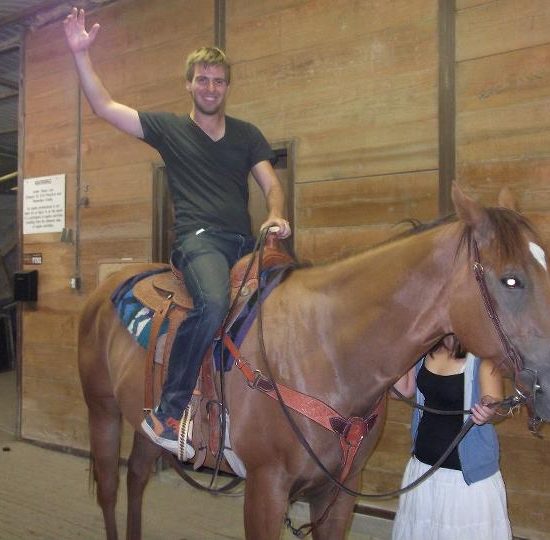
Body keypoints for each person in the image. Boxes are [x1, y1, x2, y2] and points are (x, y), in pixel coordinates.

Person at [63, 8, 291, 457]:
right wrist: (80, 56)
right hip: (198, 240)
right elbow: (104, 107)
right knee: (212, 305)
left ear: (227, 86)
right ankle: (168, 410)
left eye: (218, 81)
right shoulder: (168, 129)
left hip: (244, 243)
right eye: (202, 80)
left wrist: (277, 215)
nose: (210, 88)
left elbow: (272, 185)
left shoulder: (246, 135)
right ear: (189, 84)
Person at [391, 339, 513, 540]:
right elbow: (401, 391)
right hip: (423, 468)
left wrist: (489, 411)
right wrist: (401, 346)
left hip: (465, 480)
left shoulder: (483, 360)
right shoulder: (423, 352)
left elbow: (496, 406)